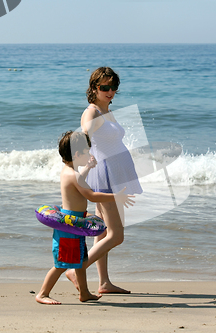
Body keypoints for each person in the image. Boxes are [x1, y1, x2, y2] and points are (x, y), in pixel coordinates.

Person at [65, 67, 142, 294]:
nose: (110, 91)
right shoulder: (92, 112)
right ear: (94, 88)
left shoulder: (105, 111)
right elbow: (85, 131)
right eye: (104, 87)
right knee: (116, 235)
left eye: (113, 87)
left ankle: (104, 282)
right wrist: (86, 144)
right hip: (105, 175)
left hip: (114, 173)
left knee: (102, 230)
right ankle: (76, 269)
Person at [35, 131, 135, 305]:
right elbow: (92, 196)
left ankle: (85, 293)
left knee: (81, 261)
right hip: (68, 227)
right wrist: (115, 196)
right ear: (77, 154)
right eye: (87, 152)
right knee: (61, 264)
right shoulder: (73, 175)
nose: (90, 154)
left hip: (75, 225)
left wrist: (88, 167)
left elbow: (80, 183)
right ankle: (42, 294)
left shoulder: (69, 172)